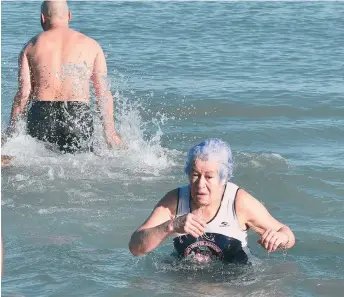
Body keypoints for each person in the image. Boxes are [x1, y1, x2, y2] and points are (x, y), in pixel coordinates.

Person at [129, 138, 295, 264]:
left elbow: (287, 234)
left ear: (223, 179)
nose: (200, 184)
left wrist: (279, 238)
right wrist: (171, 226)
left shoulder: (239, 202)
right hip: (188, 279)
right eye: (195, 175)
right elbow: (135, 247)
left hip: (237, 279)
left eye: (209, 177)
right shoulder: (174, 200)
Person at [3, 0, 123, 153]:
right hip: (77, 115)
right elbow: (102, 93)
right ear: (69, 16)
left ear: (42, 18)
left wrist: (11, 133)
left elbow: (24, 93)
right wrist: (110, 133)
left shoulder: (30, 46)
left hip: (41, 115)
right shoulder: (92, 45)